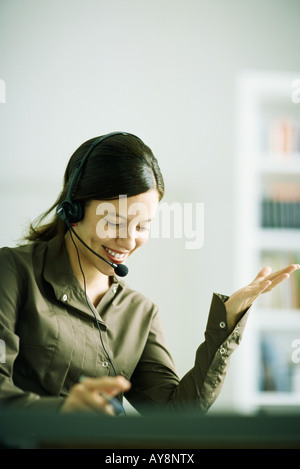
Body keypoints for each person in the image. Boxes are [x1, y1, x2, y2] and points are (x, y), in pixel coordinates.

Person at [0, 132, 298, 416]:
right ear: (74, 208)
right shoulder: (13, 271)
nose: (130, 242)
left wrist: (226, 323)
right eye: (115, 222)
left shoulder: (139, 313)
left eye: (142, 226)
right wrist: (63, 413)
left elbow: (177, 417)